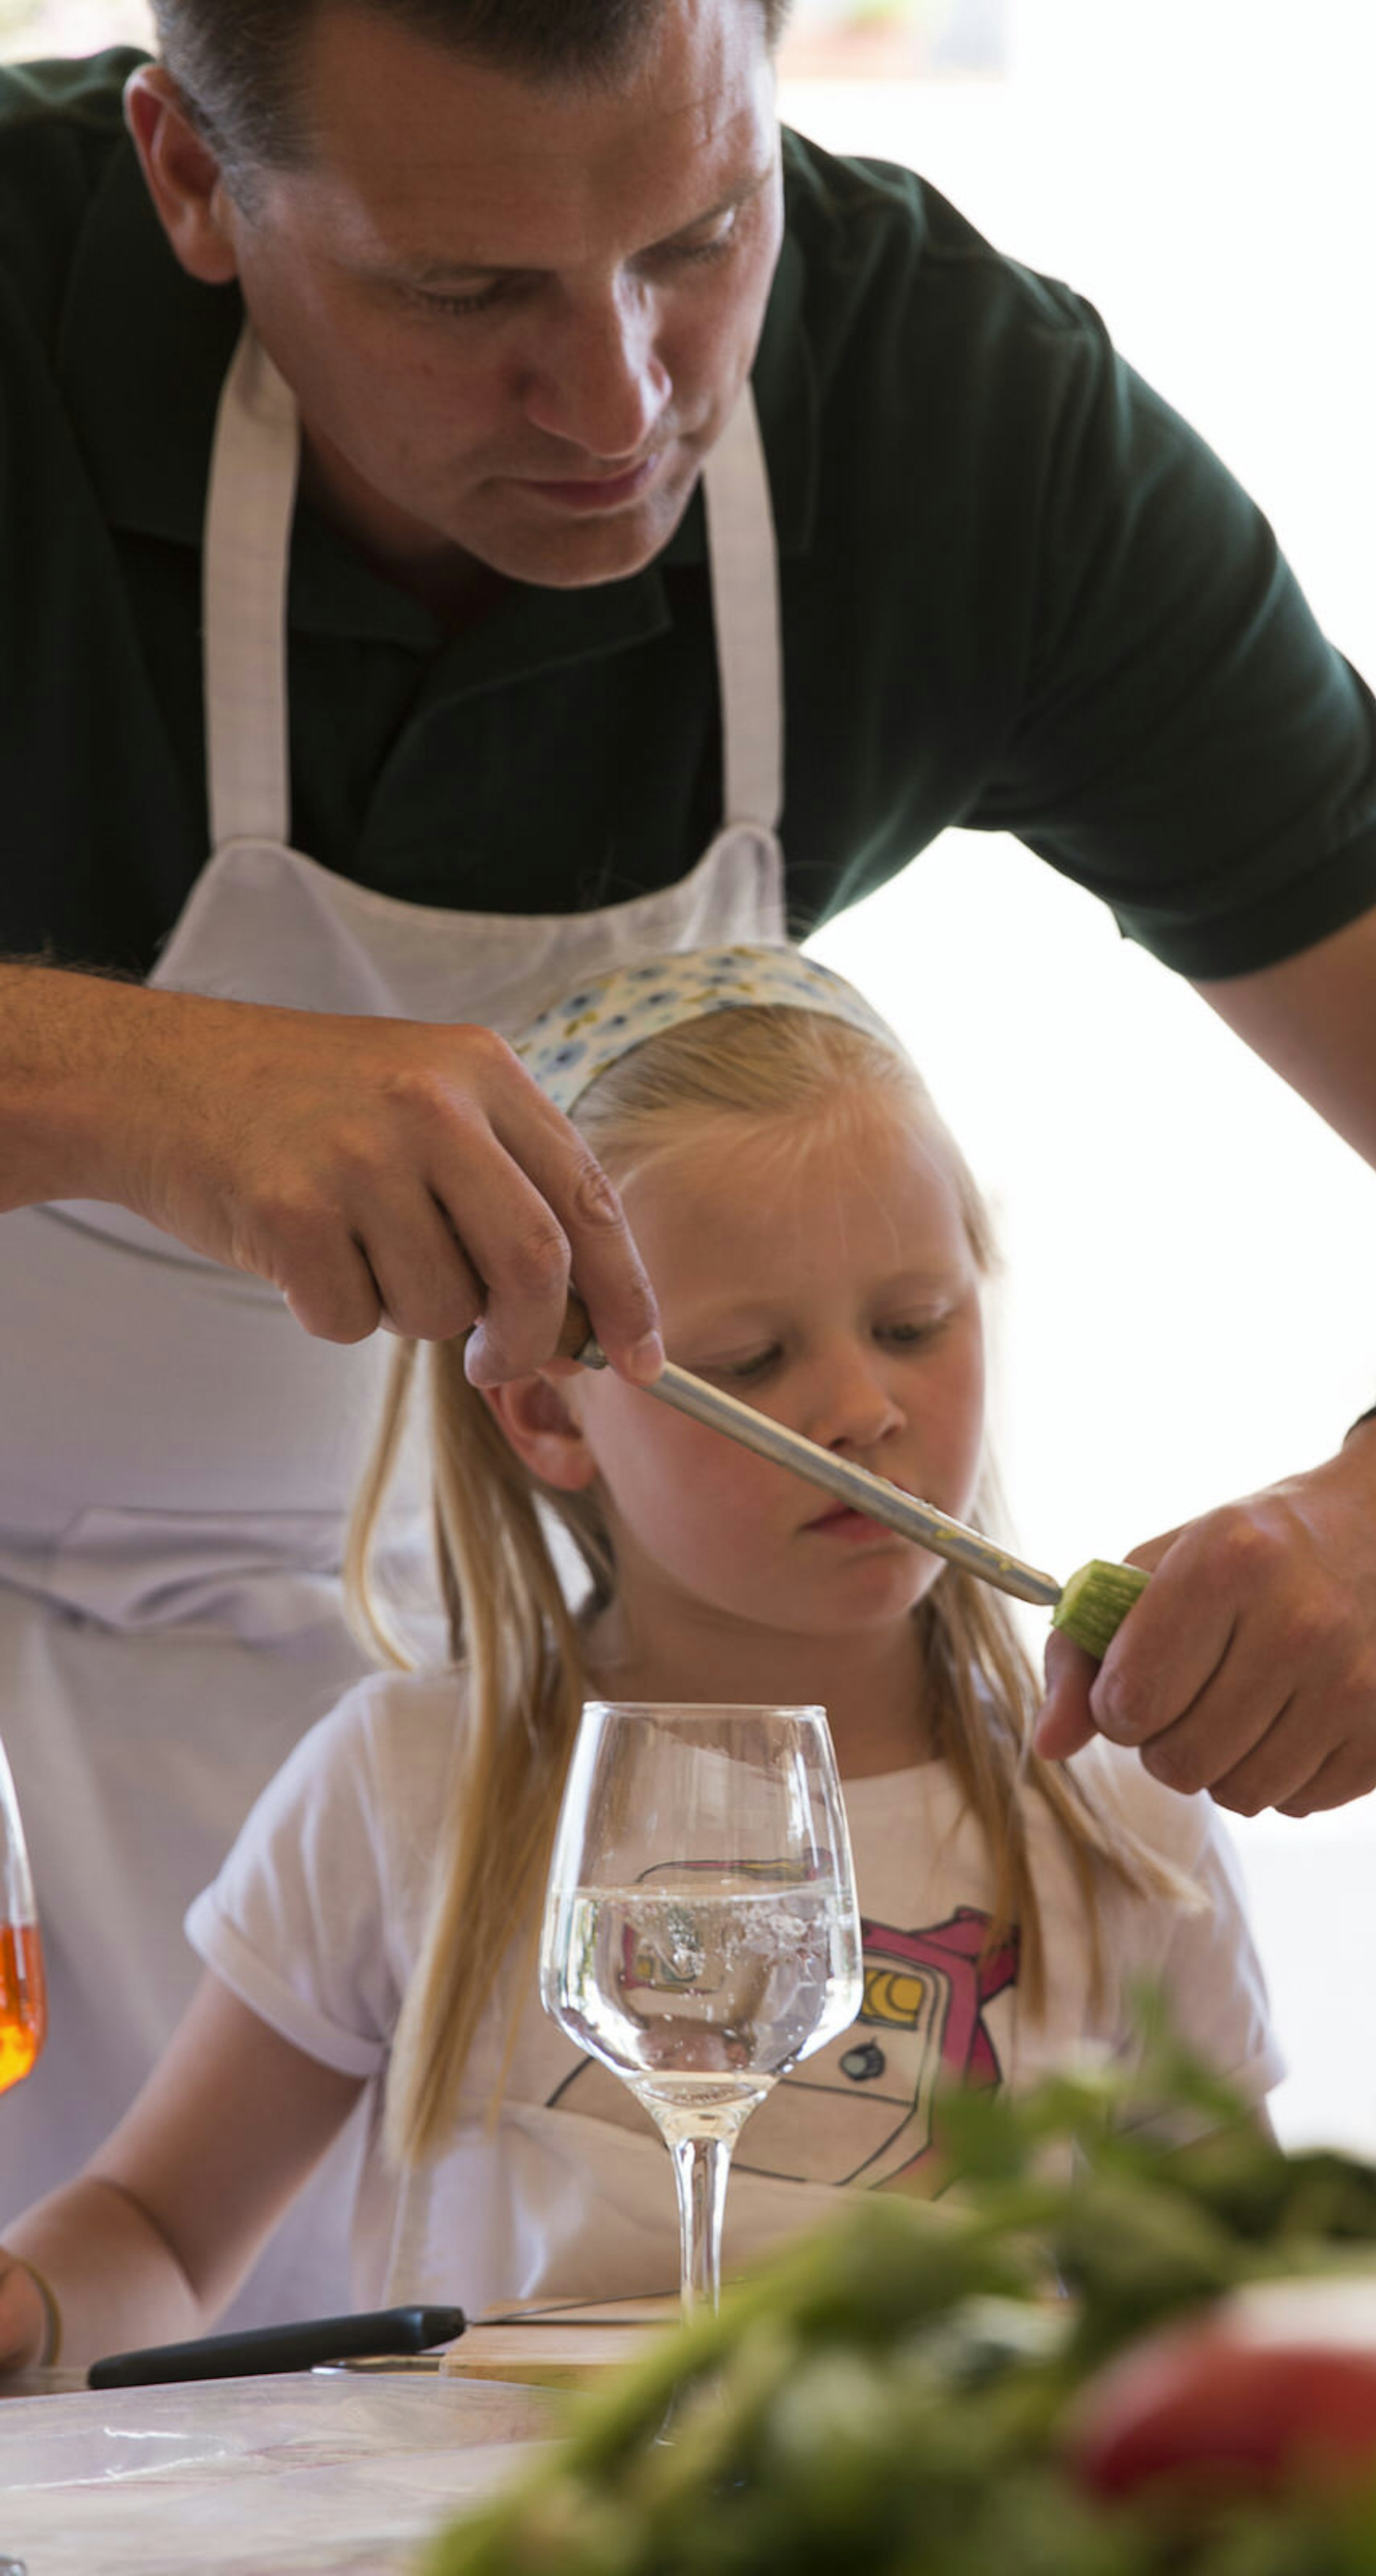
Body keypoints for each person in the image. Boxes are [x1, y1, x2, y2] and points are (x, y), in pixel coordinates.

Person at [0, 0, 1376, 2321]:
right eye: (466, 294)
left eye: (701, 236)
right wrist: (124, 1084)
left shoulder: (966, 426)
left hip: (496, 1702)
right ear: (190, 175)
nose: (617, 407)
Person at [0, 947, 1281, 2367]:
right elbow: (160, 2232)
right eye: (750, 1361)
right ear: (551, 1417)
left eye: (915, 1326)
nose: (863, 1409)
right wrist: (33, 2307)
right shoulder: (408, 1782)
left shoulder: (1122, 1812)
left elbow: (1247, 2276)